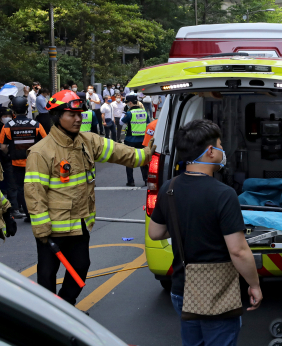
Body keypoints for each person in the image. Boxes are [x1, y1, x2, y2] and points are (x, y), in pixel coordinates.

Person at [25, 89, 156, 306]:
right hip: (52, 228)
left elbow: (122, 153)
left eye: (80, 114)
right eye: (72, 115)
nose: (79, 119)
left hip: (79, 223)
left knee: (81, 266)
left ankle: (66, 307)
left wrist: (148, 153)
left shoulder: (88, 142)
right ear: (57, 117)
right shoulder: (41, 151)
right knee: (47, 274)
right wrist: (41, 228)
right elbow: (34, 192)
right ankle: (47, 317)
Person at [148, 119, 262, 346]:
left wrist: (187, 225)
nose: (222, 150)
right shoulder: (224, 194)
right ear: (210, 151)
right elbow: (238, 251)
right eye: (219, 145)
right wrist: (254, 284)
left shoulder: (168, 188)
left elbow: (155, 232)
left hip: (181, 289)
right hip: (217, 292)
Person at [0, 96, 47, 223]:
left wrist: (9, 154)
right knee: (37, 187)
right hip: (35, 163)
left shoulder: (7, 127)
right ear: (27, 110)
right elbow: (46, 142)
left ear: (13, 111)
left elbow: (3, 146)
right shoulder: (36, 125)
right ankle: (39, 211)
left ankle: (28, 213)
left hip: (16, 164)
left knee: (21, 189)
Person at [120, 94, 150, 186]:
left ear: (130, 103)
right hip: (142, 140)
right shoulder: (144, 112)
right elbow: (148, 124)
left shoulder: (130, 113)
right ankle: (146, 179)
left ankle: (131, 181)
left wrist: (123, 113)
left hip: (130, 139)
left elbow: (121, 122)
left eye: (127, 103)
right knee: (143, 160)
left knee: (129, 160)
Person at [0, 108, 22, 220]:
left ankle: (18, 206)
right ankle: (14, 208)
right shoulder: (5, 127)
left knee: (16, 185)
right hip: (6, 159)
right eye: (5, 115)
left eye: (9, 115)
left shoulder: (11, 126)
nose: (7, 117)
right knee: (12, 185)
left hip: (12, 159)